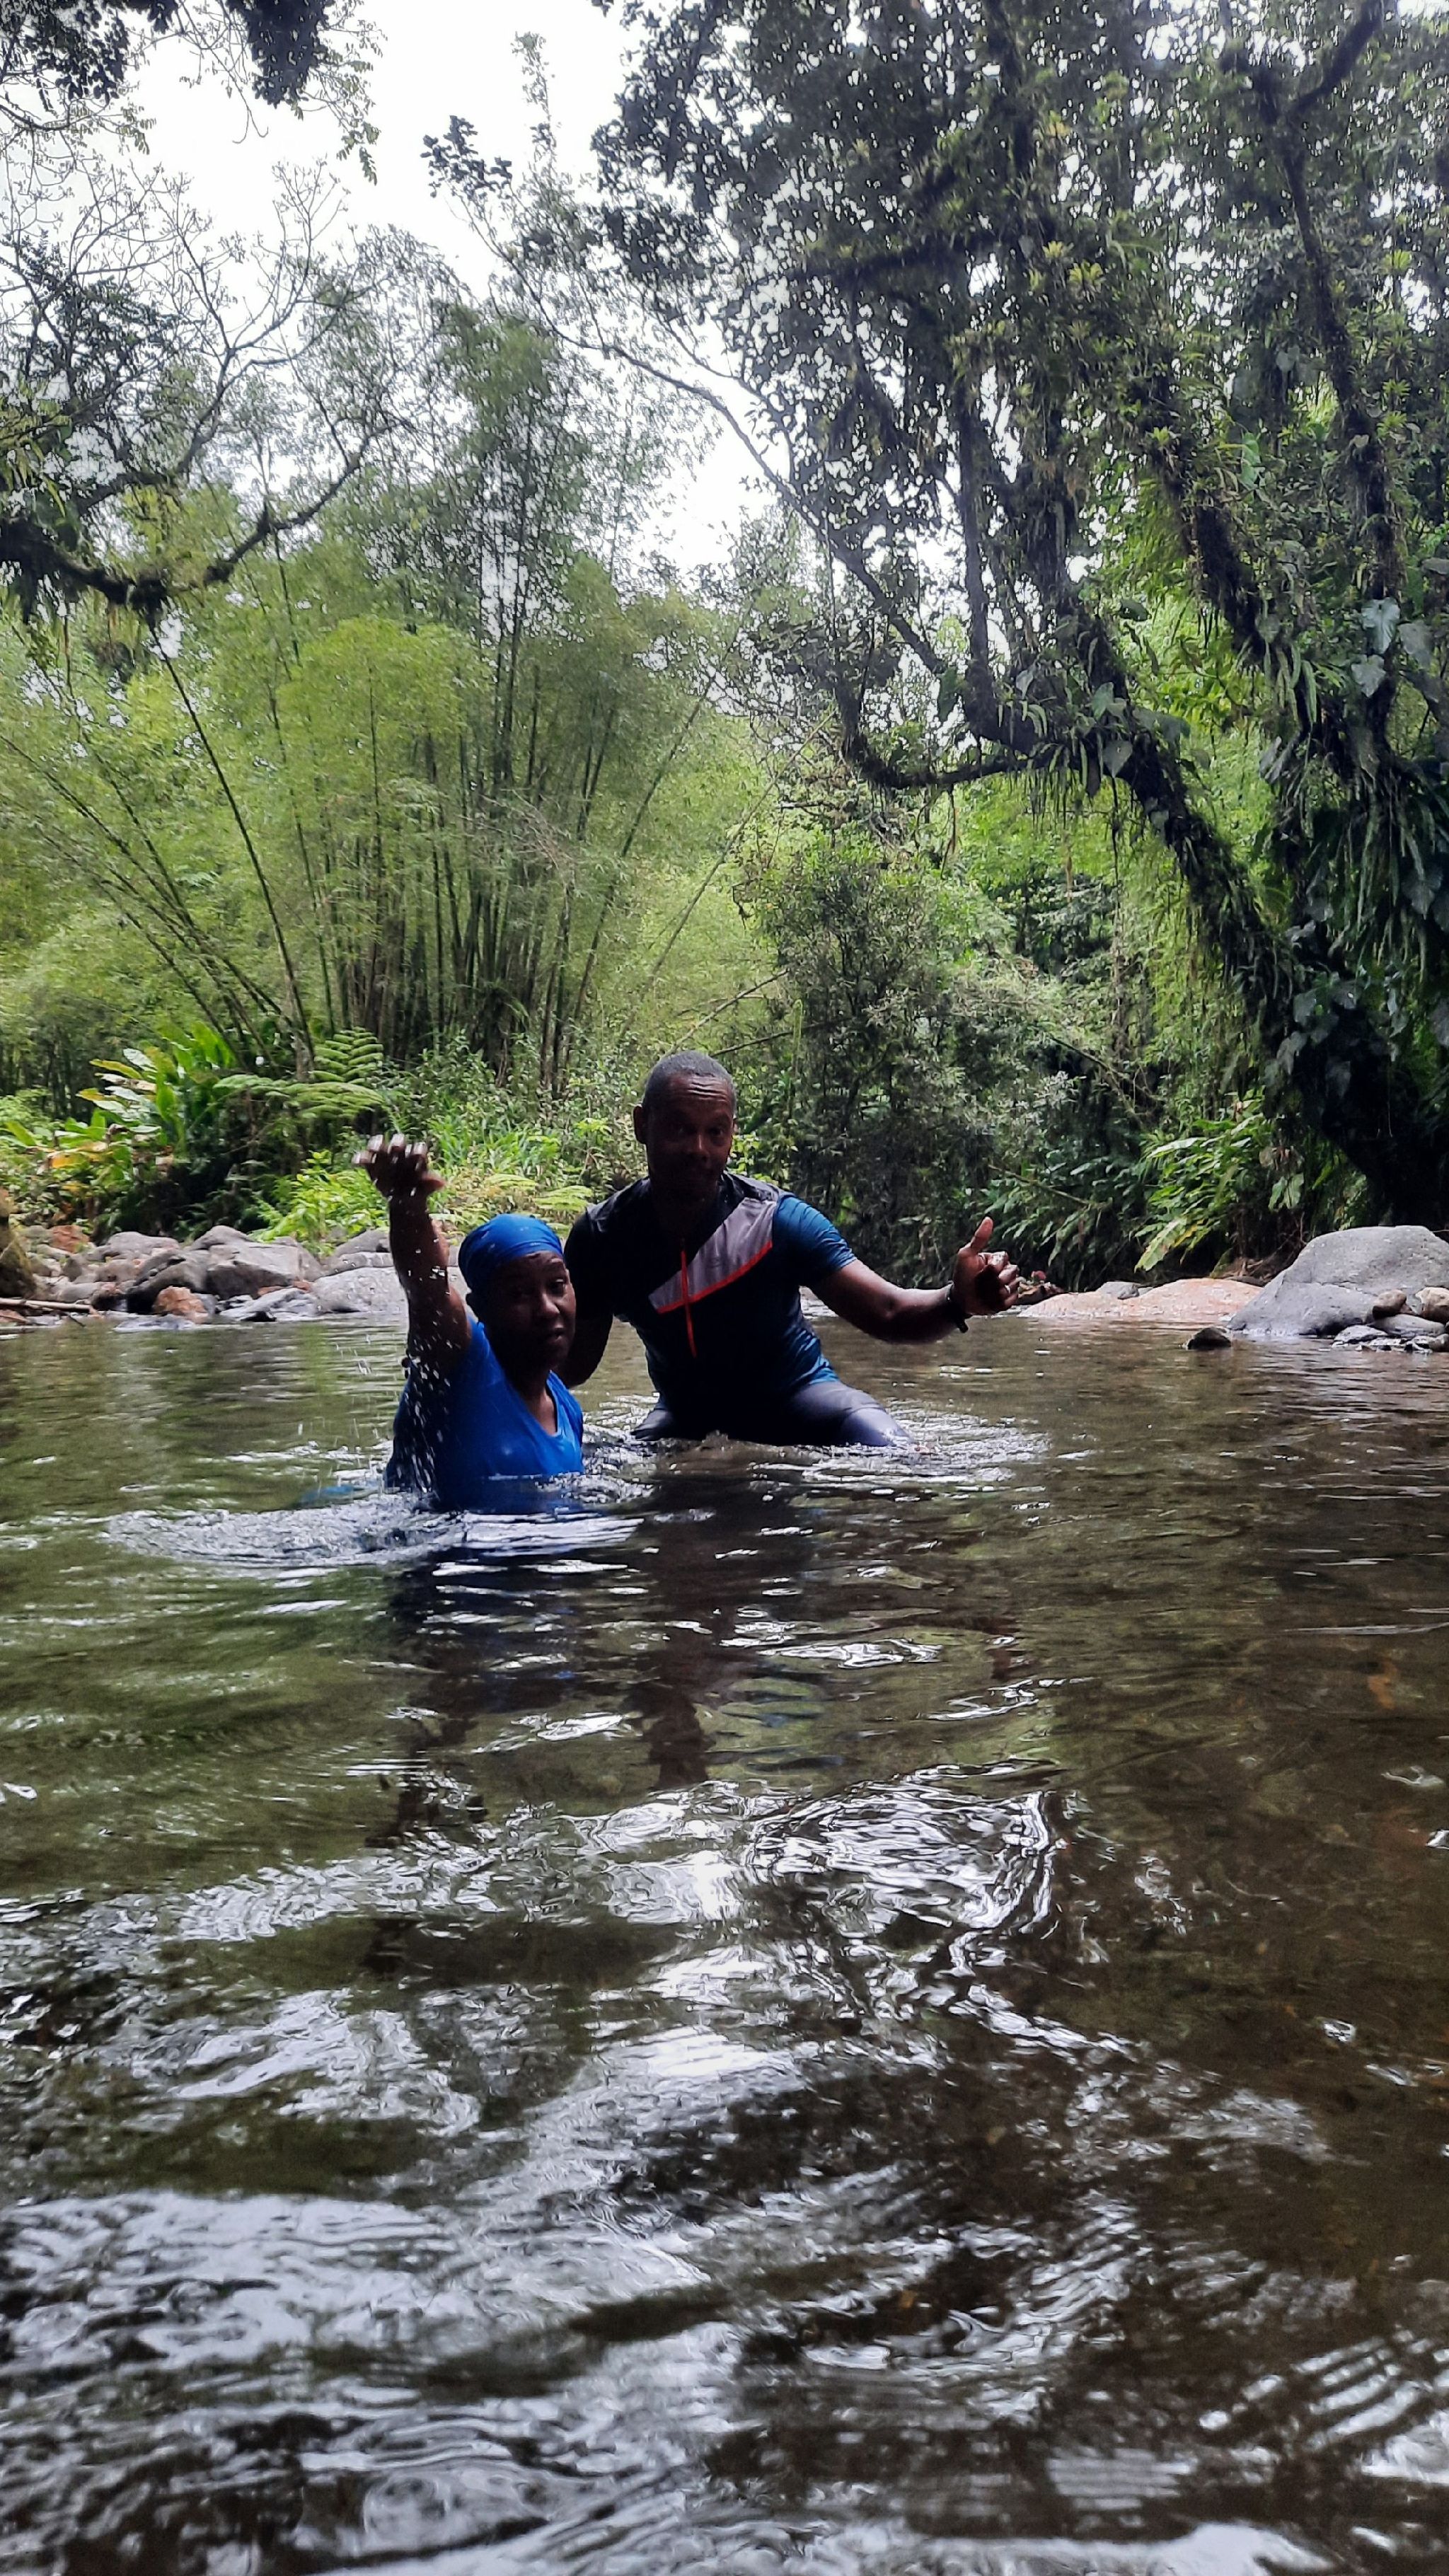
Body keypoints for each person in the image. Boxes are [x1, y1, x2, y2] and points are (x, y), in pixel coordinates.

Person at [561, 1051, 1018, 1448]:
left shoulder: (776, 1222)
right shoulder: (603, 1238)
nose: (699, 1149)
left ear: (732, 1135)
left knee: (904, 1459)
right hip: (684, 1416)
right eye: (681, 1129)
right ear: (643, 1125)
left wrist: (958, 1301)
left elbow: (889, 1312)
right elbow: (573, 1366)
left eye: (715, 1132)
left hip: (801, 1398)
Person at [359, 1134, 584, 1507]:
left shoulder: (567, 1409)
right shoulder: (460, 1366)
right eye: (519, 1294)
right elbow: (428, 1290)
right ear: (481, 1307)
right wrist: (407, 1205)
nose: (547, 1308)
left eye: (557, 1286)